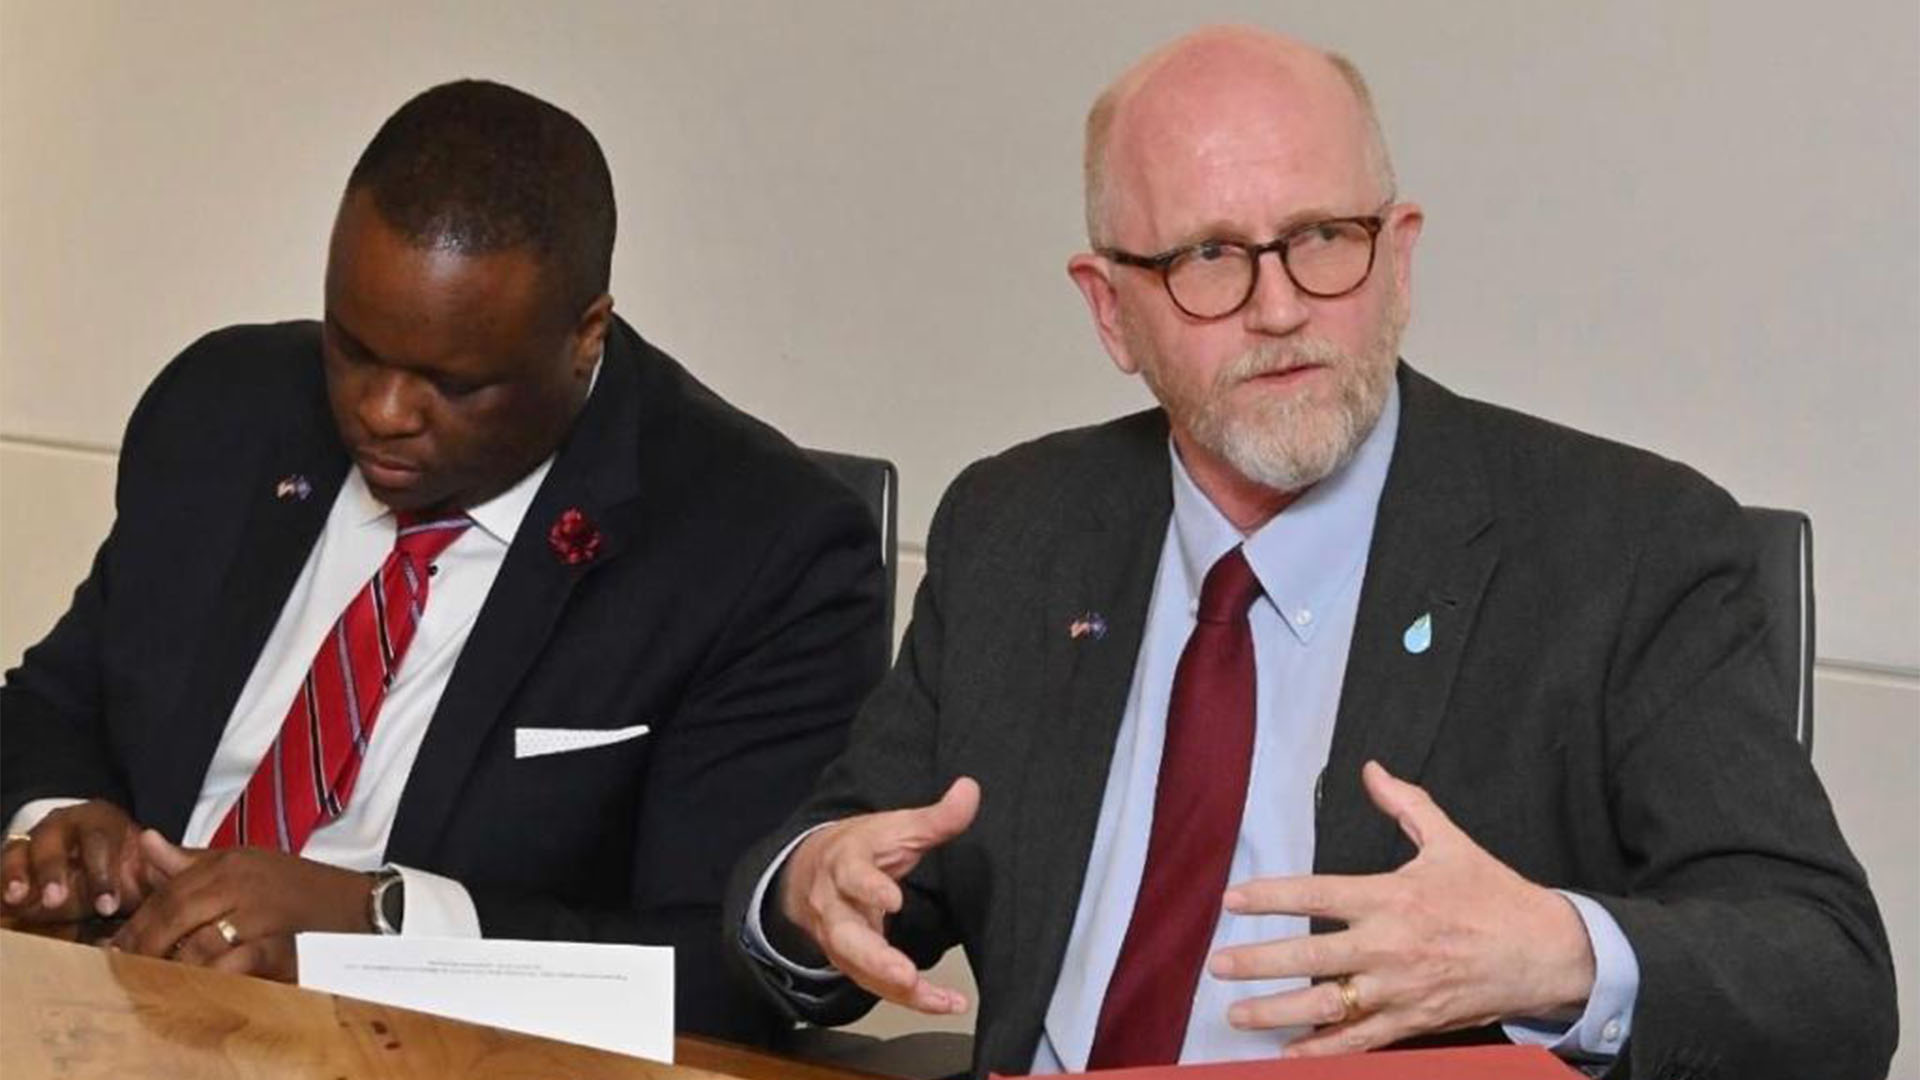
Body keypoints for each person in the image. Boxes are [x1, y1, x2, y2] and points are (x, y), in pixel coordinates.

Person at [726, 26, 1897, 1079]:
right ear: (1109, 310)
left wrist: (1561, 952)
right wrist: (810, 889)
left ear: (1399, 255)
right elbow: (841, 873)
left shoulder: (1625, 546)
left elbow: (1830, 980)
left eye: (1325, 238)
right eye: (1208, 258)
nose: (1280, 307)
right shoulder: (1018, 524)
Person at [0, 79, 888, 1047]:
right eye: (354, 348)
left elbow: (724, 972)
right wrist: (65, 820)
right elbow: (51, 707)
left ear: (586, 336)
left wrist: (374, 925)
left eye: (451, 384)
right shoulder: (224, 412)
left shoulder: (759, 548)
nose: (382, 411)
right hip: (109, 1022)